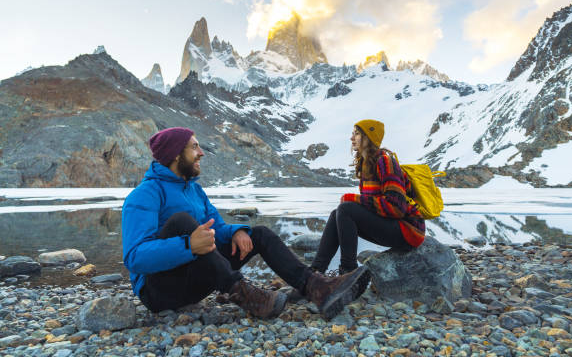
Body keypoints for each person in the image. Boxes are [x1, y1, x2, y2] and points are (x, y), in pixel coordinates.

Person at [122, 127, 371, 320]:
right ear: (176, 154)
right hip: (159, 293)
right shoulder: (145, 194)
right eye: (194, 147)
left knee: (258, 233)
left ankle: (317, 287)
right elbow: (134, 258)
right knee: (181, 222)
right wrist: (187, 245)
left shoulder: (194, 191)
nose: (201, 153)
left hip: (193, 277)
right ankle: (249, 297)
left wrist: (238, 230)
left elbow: (217, 228)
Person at [310, 119, 426, 275]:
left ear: (369, 137)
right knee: (337, 213)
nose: (352, 138)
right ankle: (315, 272)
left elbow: (396, 208)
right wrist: (355, 202)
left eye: (357, 134)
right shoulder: (366, 164)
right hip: (393, 225)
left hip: (408, 231)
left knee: (346, 209)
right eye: (353, 134)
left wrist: (355, 199)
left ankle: (348, 272)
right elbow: (371, 207)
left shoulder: (385, 161)